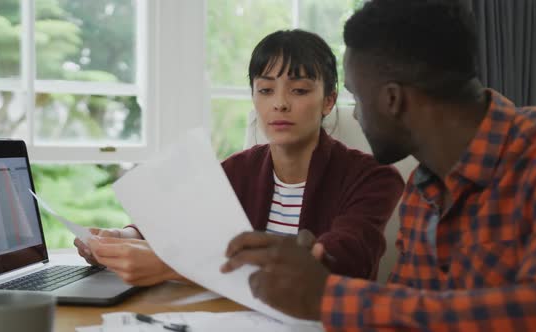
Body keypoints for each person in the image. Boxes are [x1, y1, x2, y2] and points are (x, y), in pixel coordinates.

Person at [220, 0, 536, 330]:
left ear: (393, 100)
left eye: (358, 98)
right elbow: (404, 312)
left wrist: (327, 297)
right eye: (265, 89)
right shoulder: (422, 195)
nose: (355, 115)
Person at [74, 29, 404, 286]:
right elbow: (177, 221)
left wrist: (168, 266)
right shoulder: (237, 170)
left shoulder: (374, 179)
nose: (280, 104)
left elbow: (337, 264)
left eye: (299, 90)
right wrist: (122, 238)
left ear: (328, 101)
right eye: (265, 90)